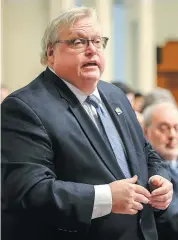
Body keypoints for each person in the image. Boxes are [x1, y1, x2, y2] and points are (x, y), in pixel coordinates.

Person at [1, 7, 173, 240]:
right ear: (51, 53)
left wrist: (159, 179)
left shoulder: (114, 95)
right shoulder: (24, 107)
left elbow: (146, 153)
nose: (92, 50)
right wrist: (105, 197)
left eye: (97, 41)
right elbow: (28, 191)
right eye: (78, 42)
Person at [143, 102, 178, 240]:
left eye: (176, 128)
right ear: (145, 132)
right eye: (164, 129)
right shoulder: (145, 171)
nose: (172, 135)